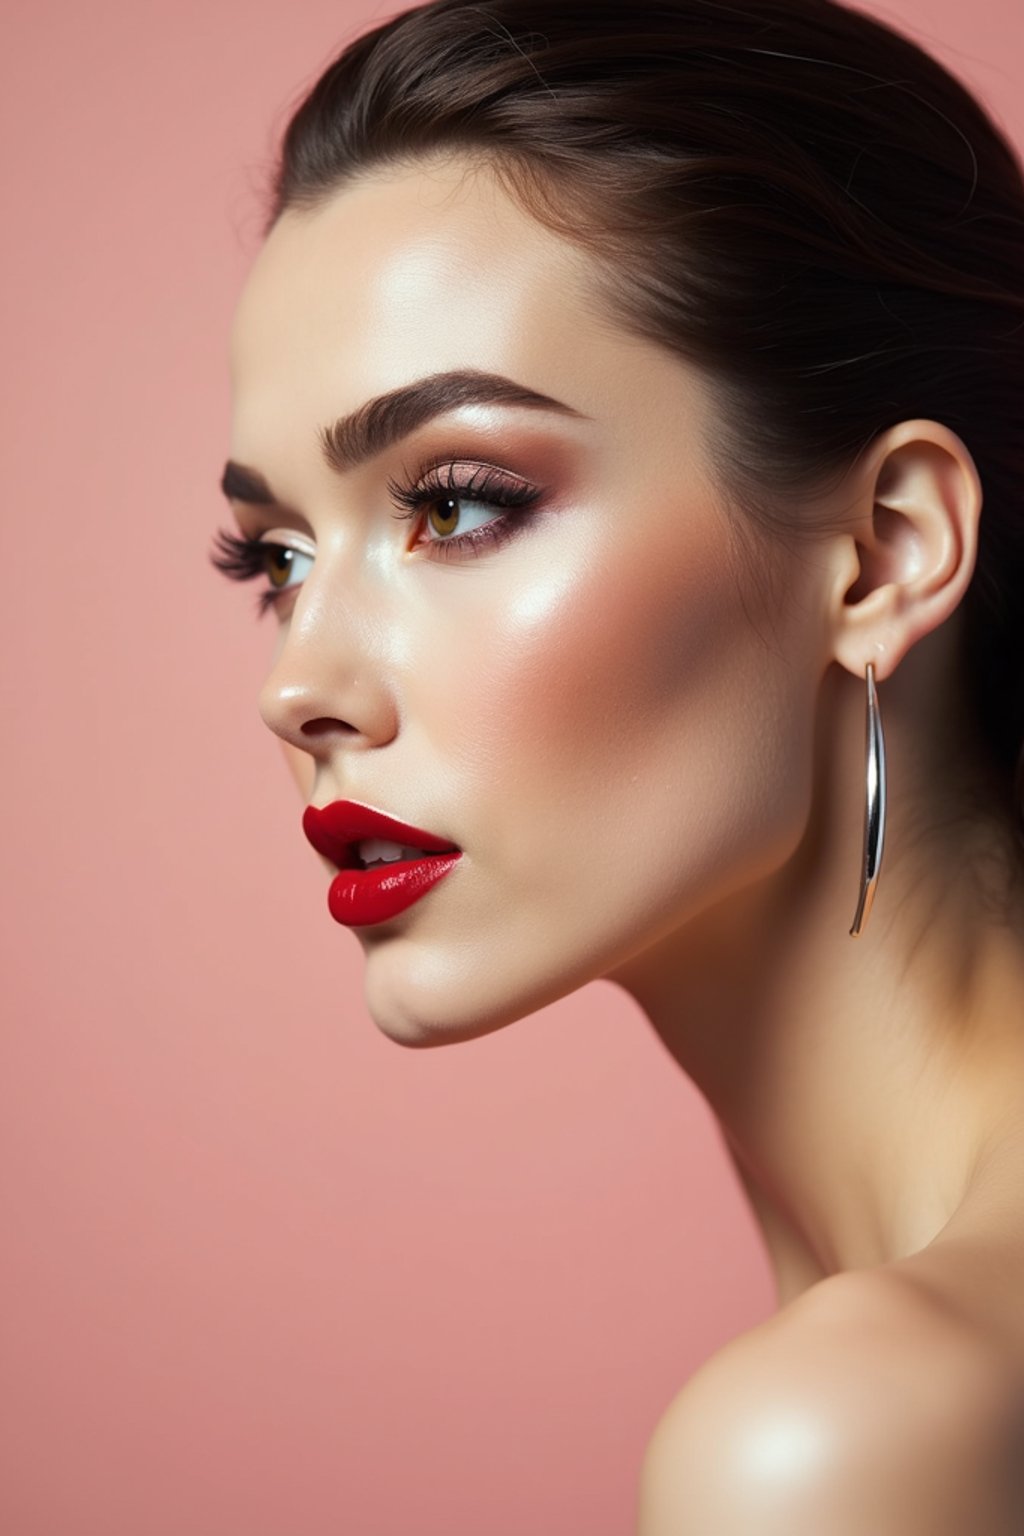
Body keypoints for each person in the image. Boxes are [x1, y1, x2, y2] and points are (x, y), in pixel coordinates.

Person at [211, 0, 1024, 1528]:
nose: (299, 685)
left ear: (884, 553)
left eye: (454, 505)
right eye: (275, 555)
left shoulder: (850, 1441)